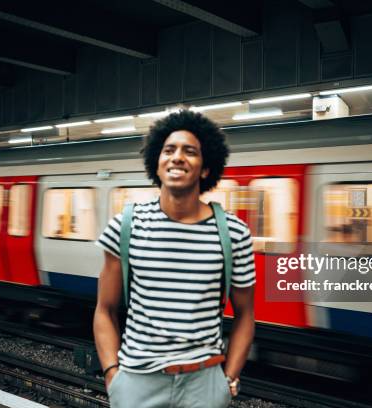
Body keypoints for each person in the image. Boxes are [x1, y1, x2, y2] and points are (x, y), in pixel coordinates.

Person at [93, 110, 256, 408]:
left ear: (205, 169)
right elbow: (105, 309)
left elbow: (246, 314)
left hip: (204, 384)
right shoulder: (126, 225)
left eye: (190, 151)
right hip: (136, 383)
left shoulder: (233, 232)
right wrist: (113, 376)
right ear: (157, 163)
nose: (177, 157)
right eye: (169, 150)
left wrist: (228, 379)